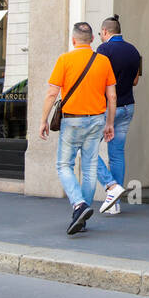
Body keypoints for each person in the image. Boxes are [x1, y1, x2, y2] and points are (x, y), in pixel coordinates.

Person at [39, 22, 117, 235]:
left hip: (72, 121)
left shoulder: (64, 60)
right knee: (90, 167)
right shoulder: (103, 61)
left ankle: (79, 205)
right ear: (92, 39)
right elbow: (112, 96)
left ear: (73, 40)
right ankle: (81, 217)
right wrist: (109, 123)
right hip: (96, 120)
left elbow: (51, 94)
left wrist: (43, 120)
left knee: (64, 164)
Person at [95, 15, 141, 216]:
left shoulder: (104, 50)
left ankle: (110, 185)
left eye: (99, 34)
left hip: (108, 109)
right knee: (117, 154)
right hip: (127, 106)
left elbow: (98, 80)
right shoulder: (134, 51)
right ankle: (114, 204)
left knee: (86, 148)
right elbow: (135, 82)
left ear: (105, 32)